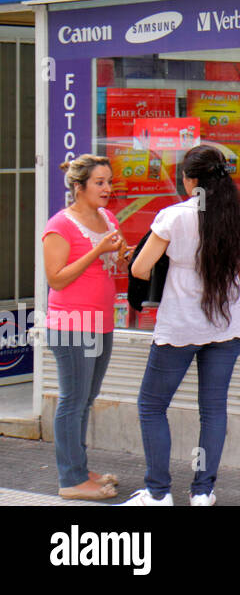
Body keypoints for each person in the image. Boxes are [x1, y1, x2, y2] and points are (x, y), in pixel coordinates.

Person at [121, 145, 240, 506]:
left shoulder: (174, 216)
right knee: (212, 409)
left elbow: (140, 268)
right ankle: (202, 492)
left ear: (191, 180)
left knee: (152, 405)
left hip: (181, 325)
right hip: (228, 326)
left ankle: (157, 492)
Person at [42, 155, 128, 501]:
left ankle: (78, 467)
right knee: (73, 400)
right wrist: (96, 252)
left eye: (109, 181)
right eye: (99, 182)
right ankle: (71, 480)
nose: (108, 188)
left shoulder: (107, 217)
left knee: (86, 399)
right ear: (79, 187)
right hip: (71, 323)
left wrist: (121, 253)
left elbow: (109, 263)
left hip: (101, 321)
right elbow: (56, 278)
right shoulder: (60, 225)